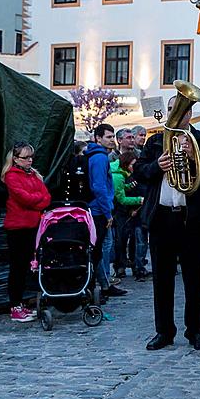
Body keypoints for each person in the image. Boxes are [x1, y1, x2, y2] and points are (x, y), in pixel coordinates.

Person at [136, 95, 200, 351]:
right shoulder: (156, 140)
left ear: (190, 113)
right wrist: (157, 166)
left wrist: (194, 157)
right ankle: (164, 331)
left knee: (193, 277)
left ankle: (196, 331)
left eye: (179, 109)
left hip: (193, 218)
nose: (174, 114)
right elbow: (140, 171)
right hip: (162, 217)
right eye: (171, 109)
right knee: (162, 278)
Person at [2, 142, 50, 322]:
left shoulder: (33, 175)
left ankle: (22, 303)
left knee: (30, 265)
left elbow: (46, 197)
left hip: (34, 226)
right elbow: (25, 198)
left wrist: (36, 200)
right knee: (18, 268)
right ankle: (15, 305)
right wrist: (37, 199)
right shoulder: (11, 176)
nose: (29, 160)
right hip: (18, 228)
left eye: (31, 157)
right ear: (15, 159)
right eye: (25, 158)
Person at [87, 124, 127, 298]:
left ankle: (104, 283)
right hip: (99, 210)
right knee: (102, 249)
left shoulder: (99, 156)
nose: (112, 140)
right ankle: (102, 285)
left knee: (105, 247)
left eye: (112, 137)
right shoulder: (99, 158)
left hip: (100, 209)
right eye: (108, 137)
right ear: (98, 138)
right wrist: (107, 212)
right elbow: (99, 187)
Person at [111, 152, 145, 280]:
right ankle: (121, 265)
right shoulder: (118, 176)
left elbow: (121, 189)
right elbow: (122, 199)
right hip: (120, 212)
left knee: (125, 238)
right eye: (132, 165)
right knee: (121, 239)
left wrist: (129, 186)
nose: (134, 168)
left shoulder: (121, 173)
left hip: (123, 212)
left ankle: (123, 266)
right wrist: (139, 200)